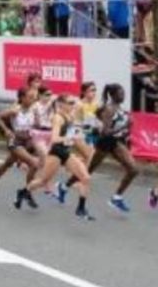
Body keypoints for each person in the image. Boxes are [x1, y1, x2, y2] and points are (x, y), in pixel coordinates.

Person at [59, 84, 139, 213]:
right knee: (88, 171)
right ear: (113, 95)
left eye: (123, 92)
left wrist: (126, 131)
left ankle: (116, 197)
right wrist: (124, 127)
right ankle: (64, 186)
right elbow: (105, 132)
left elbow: (98, 115)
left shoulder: (118, 108)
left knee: (133, 169)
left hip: (116, 142)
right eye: (120, 93)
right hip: (105, 143)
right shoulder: (109, 109)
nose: (123, 95)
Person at [15, 94, 94, 220]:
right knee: (43, 181)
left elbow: (77, 117)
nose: (72, 105)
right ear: (61, 104)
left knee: (86, 178)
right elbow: (55, 138)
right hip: (56, 152)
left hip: (66, 152)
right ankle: (23, 192)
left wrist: (82, 132)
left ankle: (81, 209)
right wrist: (70, 138)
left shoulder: (70, 115)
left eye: (72, 103)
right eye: (69, 103)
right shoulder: (58, 118)